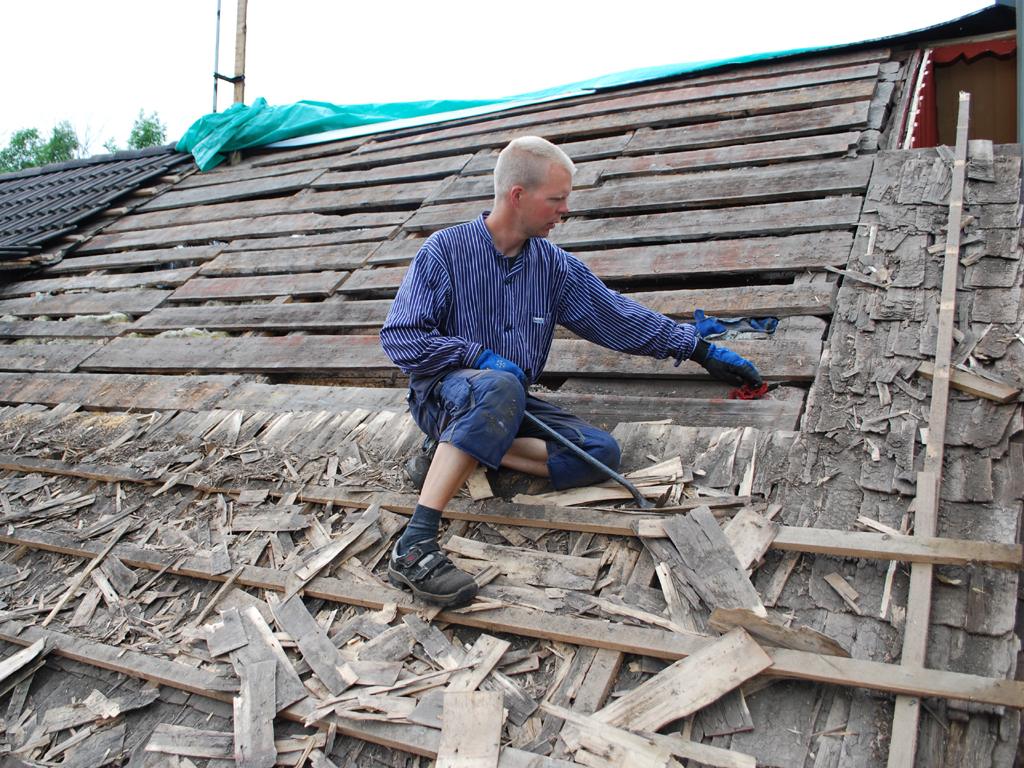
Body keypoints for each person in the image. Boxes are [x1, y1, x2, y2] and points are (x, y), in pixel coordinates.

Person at [380, 136, 762, 606]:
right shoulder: (445, 251)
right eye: (557, 198)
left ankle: (459, 450)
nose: (565, 210)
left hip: (506, 401)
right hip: (445, 393)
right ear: (518, 195)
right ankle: (414, 546)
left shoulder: (553, 267)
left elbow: (617, 318)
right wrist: (477, 357)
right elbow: (401, 337)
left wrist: (700, 349)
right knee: (497, 384)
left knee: (599, 452)